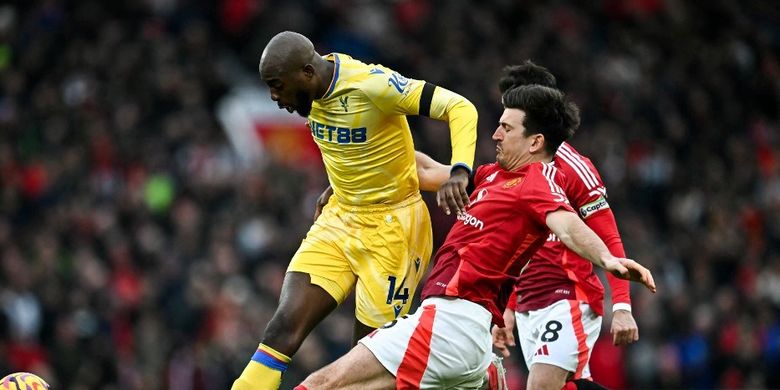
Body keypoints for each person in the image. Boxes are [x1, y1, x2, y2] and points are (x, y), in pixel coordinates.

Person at [294, 84, 656, 389]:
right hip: (463, 330)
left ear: (535, 142)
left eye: (506, 128)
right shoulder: (490, 176)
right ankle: (485, 375)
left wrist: (608, 261)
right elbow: (421, 168)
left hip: (450, 324)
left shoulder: (538, 182)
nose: (495, 134)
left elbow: (568, 225)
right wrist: (351, 172)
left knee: (321, 384)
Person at [232, 31, 477, 390]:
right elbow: (362, 148)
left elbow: (460, 107)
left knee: (364, 365)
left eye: (277, 86)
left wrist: (461, 171)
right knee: (282, 328)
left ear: (306, 73)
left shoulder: (372, 85)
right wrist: (340, 184)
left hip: (394, 231)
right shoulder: (310, 96)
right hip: (341, 218)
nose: (274, 97)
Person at [488, 62, 637, 390]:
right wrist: (507, 309)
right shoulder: (508, 170)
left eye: (511, 116)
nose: (501, 128)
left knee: (541, 386)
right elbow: (517, 249)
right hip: (528, 306)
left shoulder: (573, 168)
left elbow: (608, 237)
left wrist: (622, 306)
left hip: (568, 296)